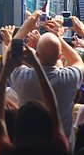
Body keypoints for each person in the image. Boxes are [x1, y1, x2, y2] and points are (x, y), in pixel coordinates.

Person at [10, 10, 84, 148]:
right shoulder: (68, 79)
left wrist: (25, 28)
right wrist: (58, 37)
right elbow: (78, 61)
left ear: (36, 55)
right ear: (59, 56)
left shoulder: (23, 79)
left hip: (28, 148)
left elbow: (10, 58)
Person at [0, 42, 69, 155]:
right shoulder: (59, 148)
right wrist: (37, 66)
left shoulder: (6, 151)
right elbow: (53, 107)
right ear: (48, 124)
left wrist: (5, 72)